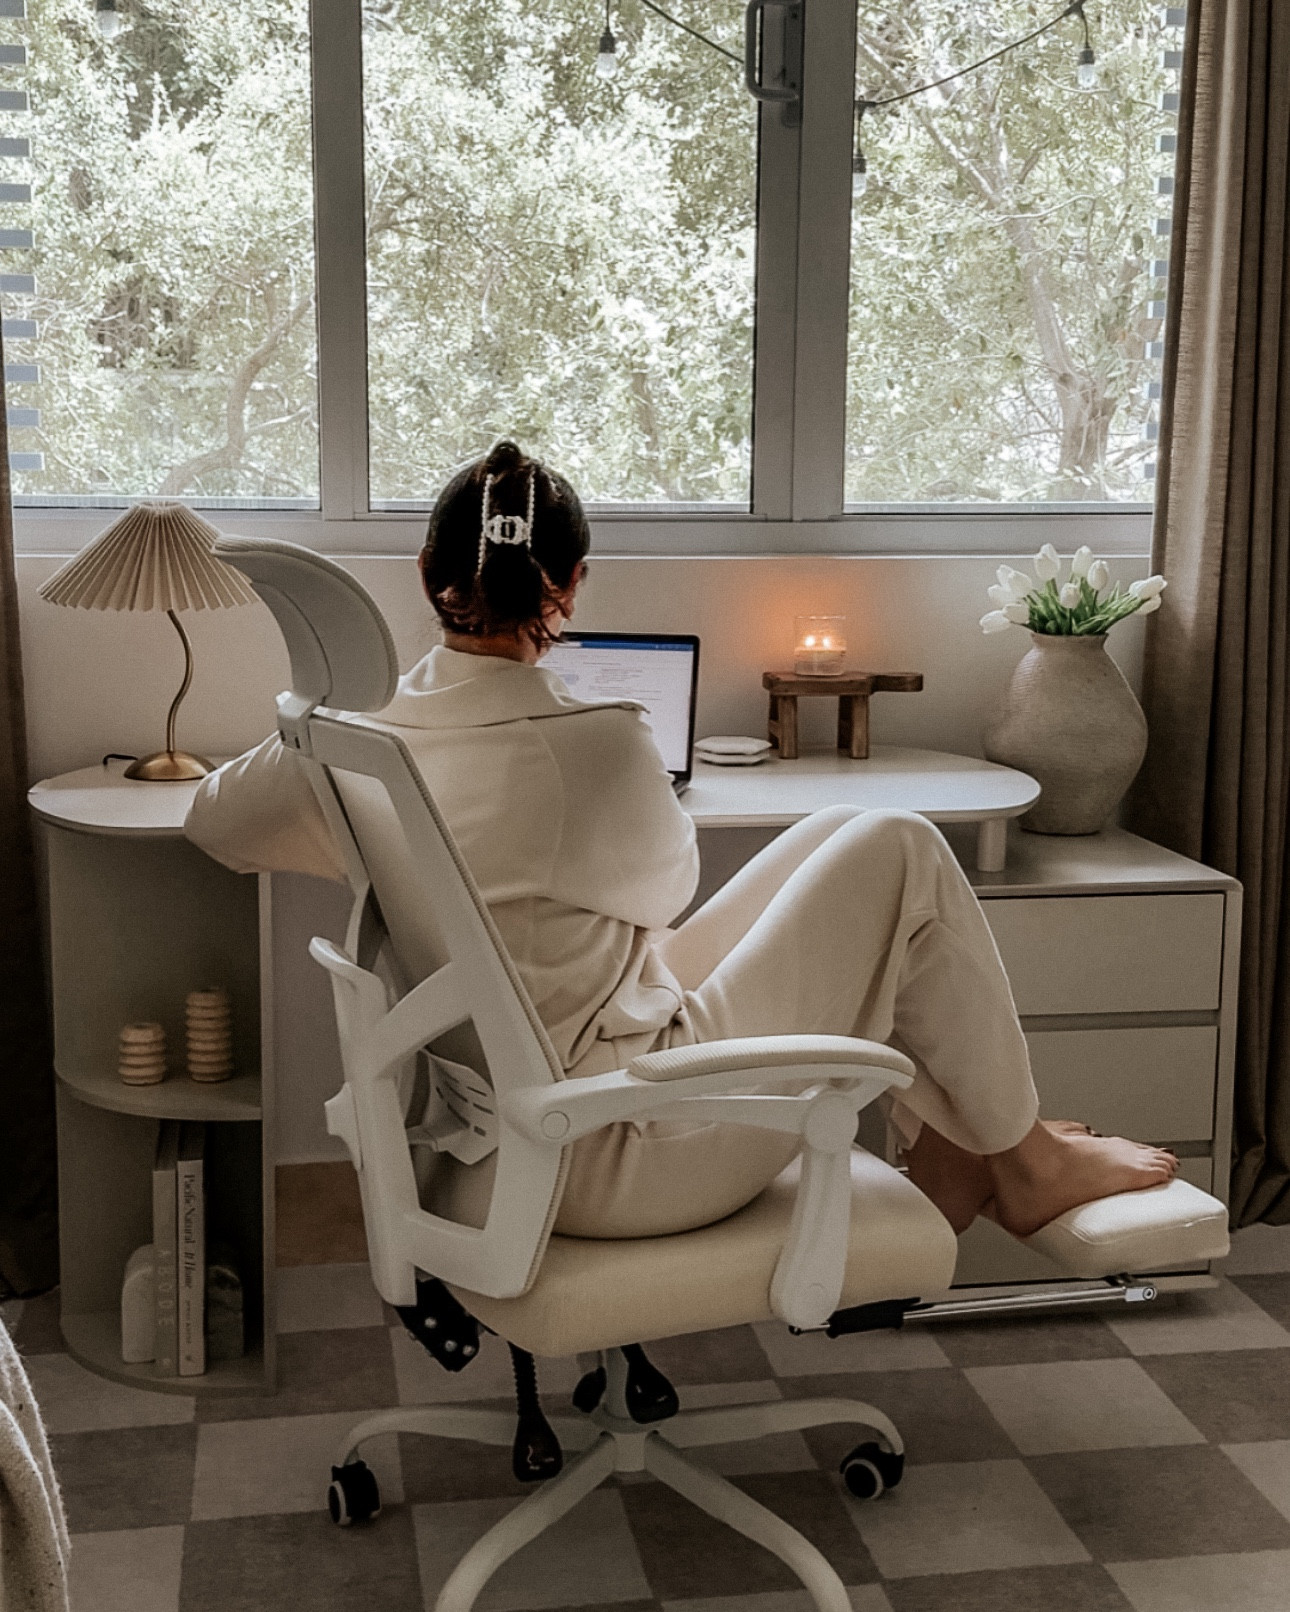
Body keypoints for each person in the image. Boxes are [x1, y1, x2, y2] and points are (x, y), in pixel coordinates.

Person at [186, 440, 1178, 1242]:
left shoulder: (360, 747)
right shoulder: (595, 743)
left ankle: (968, 1150)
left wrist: (311, 718)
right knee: (905, 851)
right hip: (618, 1144)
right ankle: (1023, 1157)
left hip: (501, 1125)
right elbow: (667, 896)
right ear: (572, 583)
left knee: (847, 834)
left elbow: (213, 823)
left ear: (425, 575)